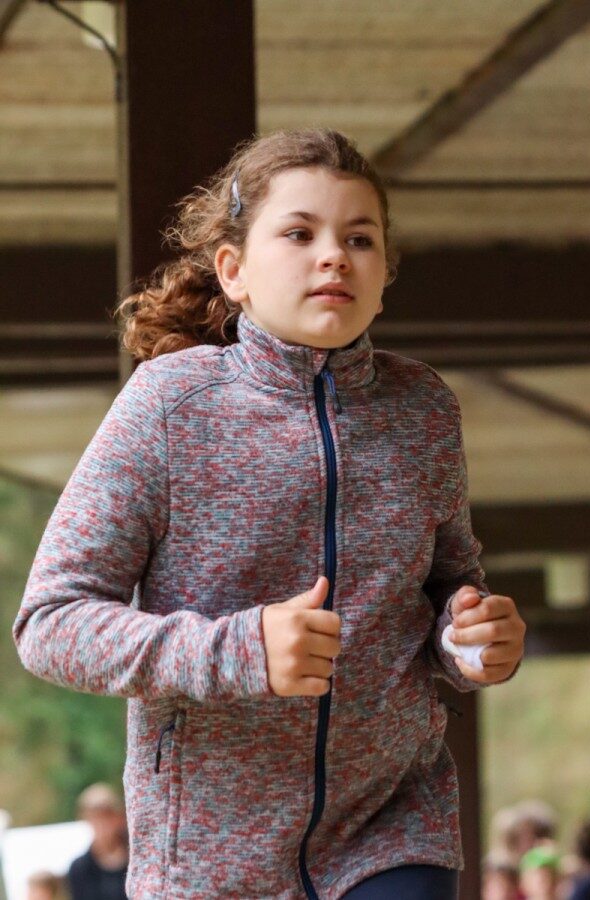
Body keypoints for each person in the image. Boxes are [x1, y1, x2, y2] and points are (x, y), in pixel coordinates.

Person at [12, 128, 526, 899]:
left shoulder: (423, 409)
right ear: (235, 271)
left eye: (360, 238)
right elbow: (50, 625)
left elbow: (449, 583)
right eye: (299, 234)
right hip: (211, 858)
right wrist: (239, 650)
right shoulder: (170, 407)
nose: (334, 256)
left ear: (384, 277)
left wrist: (473, 636)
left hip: (392, 827)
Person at [66, 783, 128, 900]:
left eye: (107, 817)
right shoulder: (79, 868)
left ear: (119, 818)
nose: (102, 825)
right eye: (95, 818)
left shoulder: (137, 860)